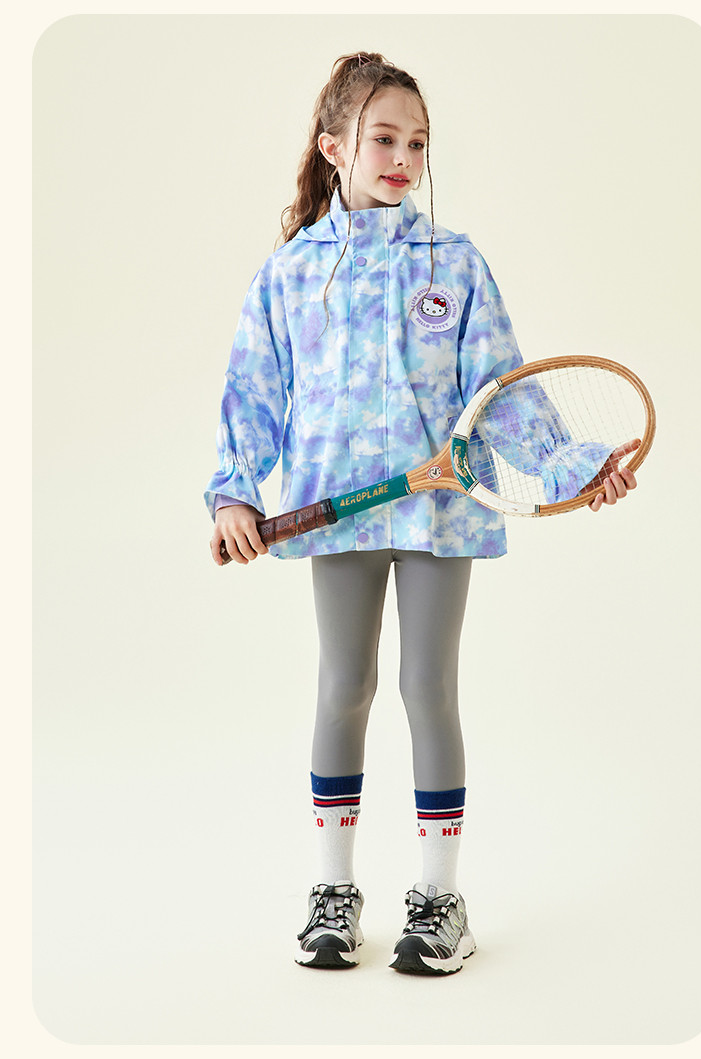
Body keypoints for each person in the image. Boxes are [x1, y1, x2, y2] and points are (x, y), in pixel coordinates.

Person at [205, 52, 636, 976]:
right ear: (335, 147)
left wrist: (576, 468)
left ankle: (441, 900)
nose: (404, 159)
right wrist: (236, 490)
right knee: (343, 687)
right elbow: (254, 390)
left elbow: (503, 396)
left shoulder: (456, 263)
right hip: (336, 515)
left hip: (443, 512)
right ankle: (333, 892)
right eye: (385, 140)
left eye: (418, 144)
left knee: (426, 688)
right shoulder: (289, 275)